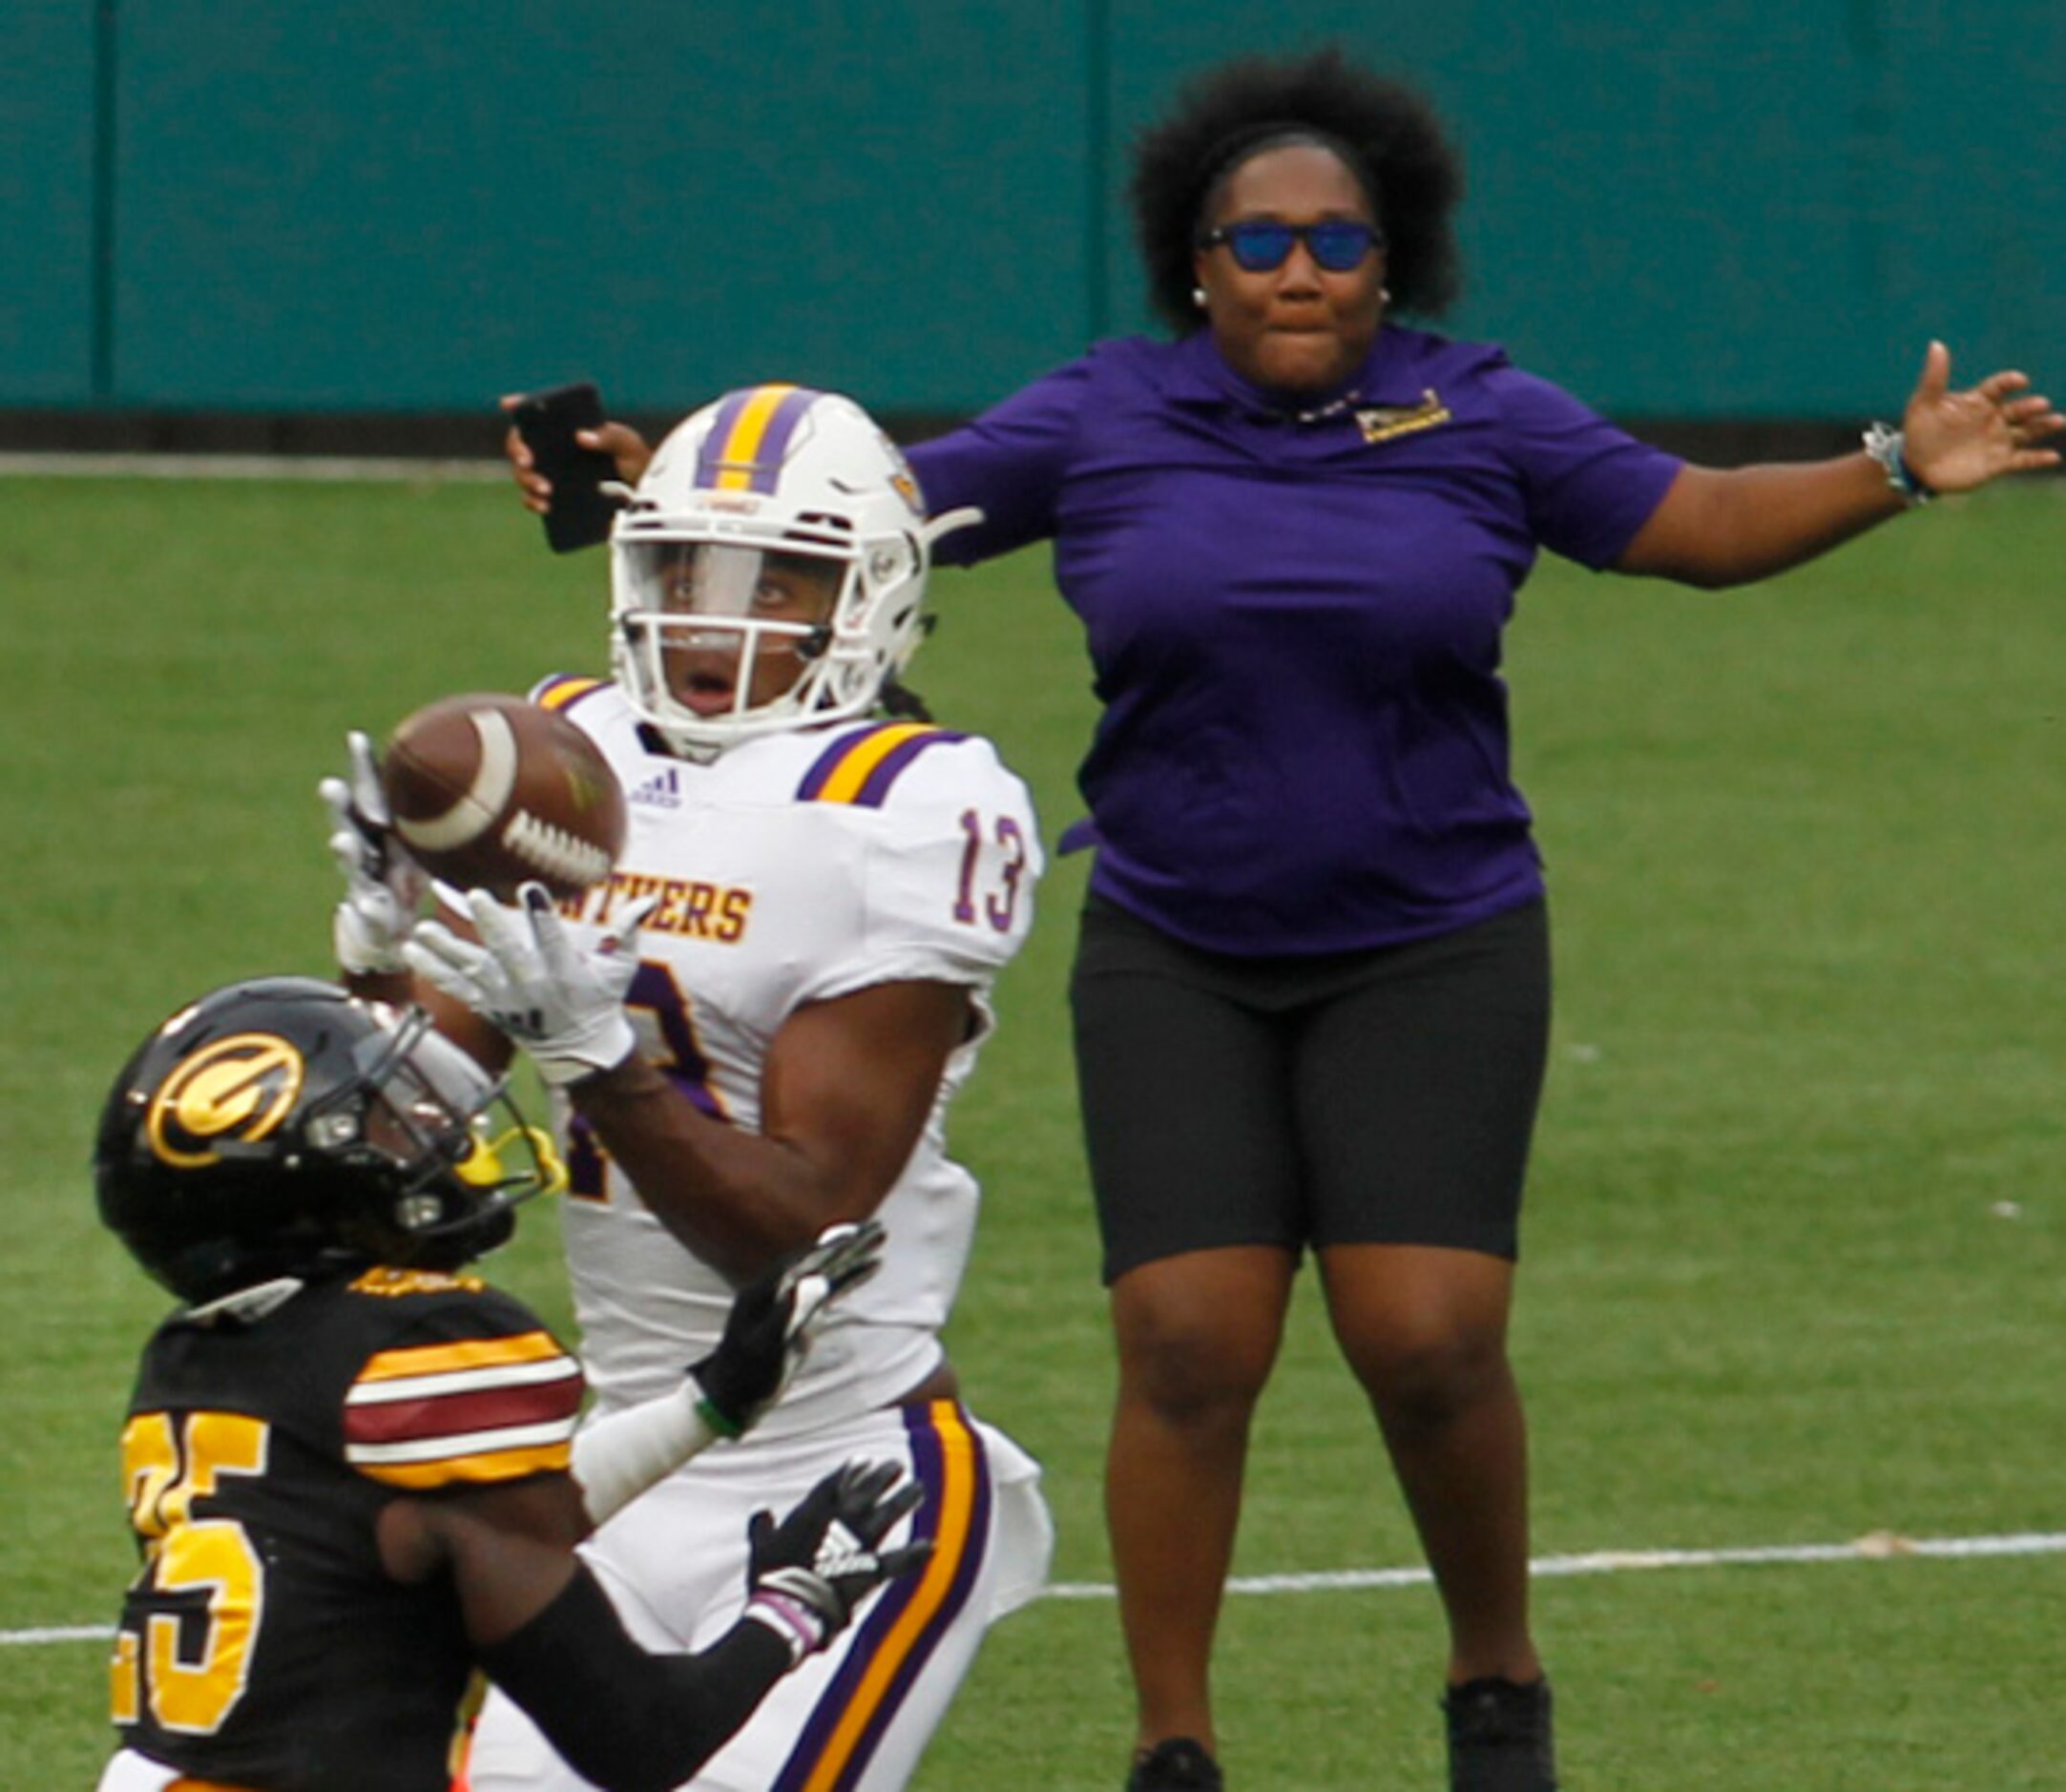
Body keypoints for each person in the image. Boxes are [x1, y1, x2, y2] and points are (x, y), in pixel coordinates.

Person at [501, 50, 2062, 1792]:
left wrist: (1899, 467)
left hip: (1436, 933)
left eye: (1337, 239)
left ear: (1395, 261)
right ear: (1196, 260)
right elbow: (855, 521)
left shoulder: (1485, 412)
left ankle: (1494, 1677)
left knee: (1427, 1334)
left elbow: (1689, 522)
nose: (1298, 268)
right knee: (1185, 1344)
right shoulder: (1102, 413)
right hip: (1175, 938)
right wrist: (666, 489)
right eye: (1257, 240)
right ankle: (1175, 1739)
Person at [339, 383, 1054, 1791]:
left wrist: (598, 1058)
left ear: (875, 599)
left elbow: (800, 1234)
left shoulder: (910, 803)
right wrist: (372, 970)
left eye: (775, 580)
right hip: (614, 1454)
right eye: (682, 570)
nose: (711, 618)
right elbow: (403, 1154)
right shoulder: (566, 744)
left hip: (843, 1471)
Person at [92, 973, 929, 1792]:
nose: (433, 1131)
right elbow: (642, 1740)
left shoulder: (194, 1361)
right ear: (309, 1182)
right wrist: (793, 1608)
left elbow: (459, 1523)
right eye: (385, 1122)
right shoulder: (420, 1344)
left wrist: (710, 1403)